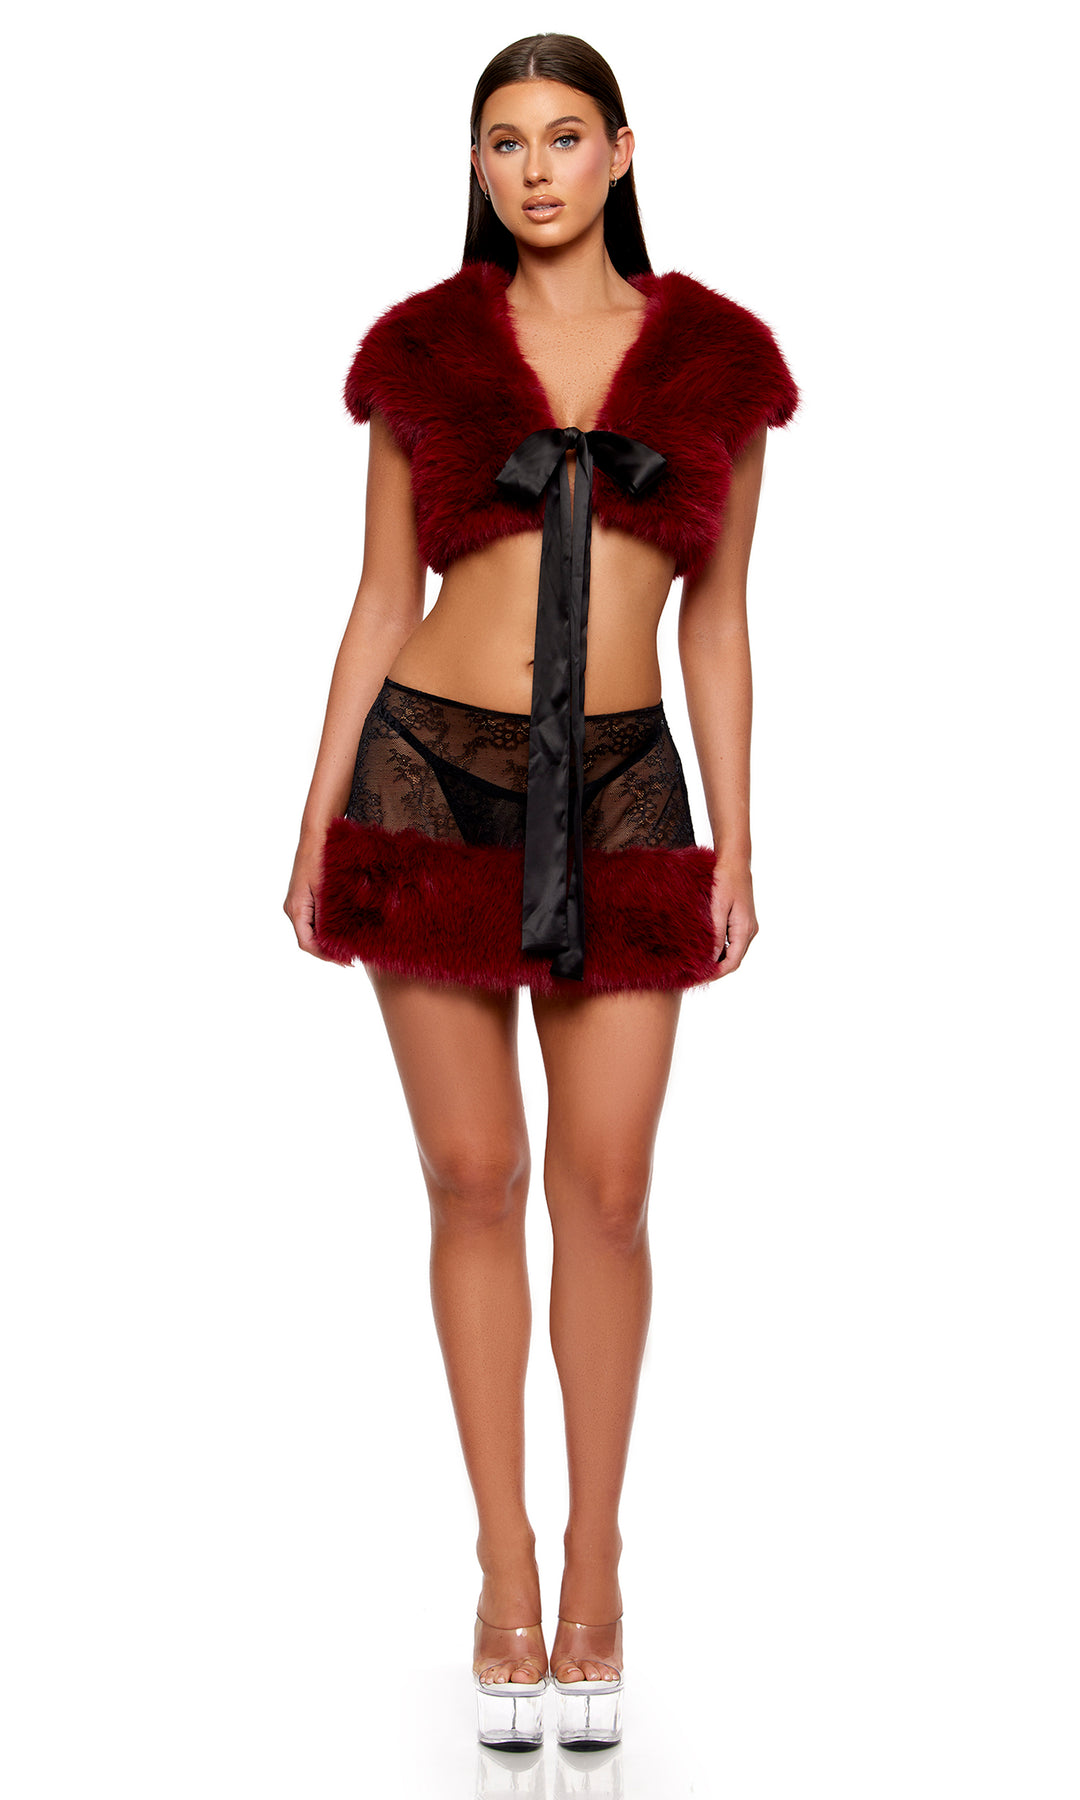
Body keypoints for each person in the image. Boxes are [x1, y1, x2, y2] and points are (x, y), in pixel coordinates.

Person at [284, 31, 799, 1750]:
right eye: (504, 142)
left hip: (630, 788)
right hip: (427, 777)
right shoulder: (425, 354)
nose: (535, 170)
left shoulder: (717, 364)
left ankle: (597, 1562)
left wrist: (740, 836)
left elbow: (718, 620)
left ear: (623, 152)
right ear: (478, 164)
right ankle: (502, 1563)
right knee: (472, 1176)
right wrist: (315, 820)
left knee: (612, 1190)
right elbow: (380, 600)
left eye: (565, 138)